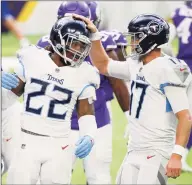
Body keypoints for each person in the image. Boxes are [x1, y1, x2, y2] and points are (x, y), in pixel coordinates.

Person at [72, 13, 192, 184]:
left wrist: (177, 154)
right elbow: (103, 65)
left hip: (157, 150)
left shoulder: (166, 69)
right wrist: (94, 36)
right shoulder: (136, 64)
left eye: (135, 38)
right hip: (134, 149)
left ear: (149, 39)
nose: (131, 42)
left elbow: (185, 117)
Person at [37, 1, 130, 184]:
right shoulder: (47, 43)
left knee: (98, 176)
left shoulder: (101, 42)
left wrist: (130, 116)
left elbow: (116, 81)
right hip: (59, 123)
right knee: (52, 178)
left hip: (97, 121)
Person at [2, 16, 99, 184]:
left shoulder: (85, 73)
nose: (79, 50)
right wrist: (3, 88)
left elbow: (86, 113)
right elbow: (5, 103)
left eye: (82, 45)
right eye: (74, 43)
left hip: (60, 145)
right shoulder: (33, 59)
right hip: (26, 140)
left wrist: (89, 135)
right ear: (59, 40)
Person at [167, 0, 192, 172]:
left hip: (182, 67)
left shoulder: (177, 12)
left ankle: (177, 153)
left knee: (181, 111)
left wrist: (172, 58)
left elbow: (165, 40)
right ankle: (179, 154)